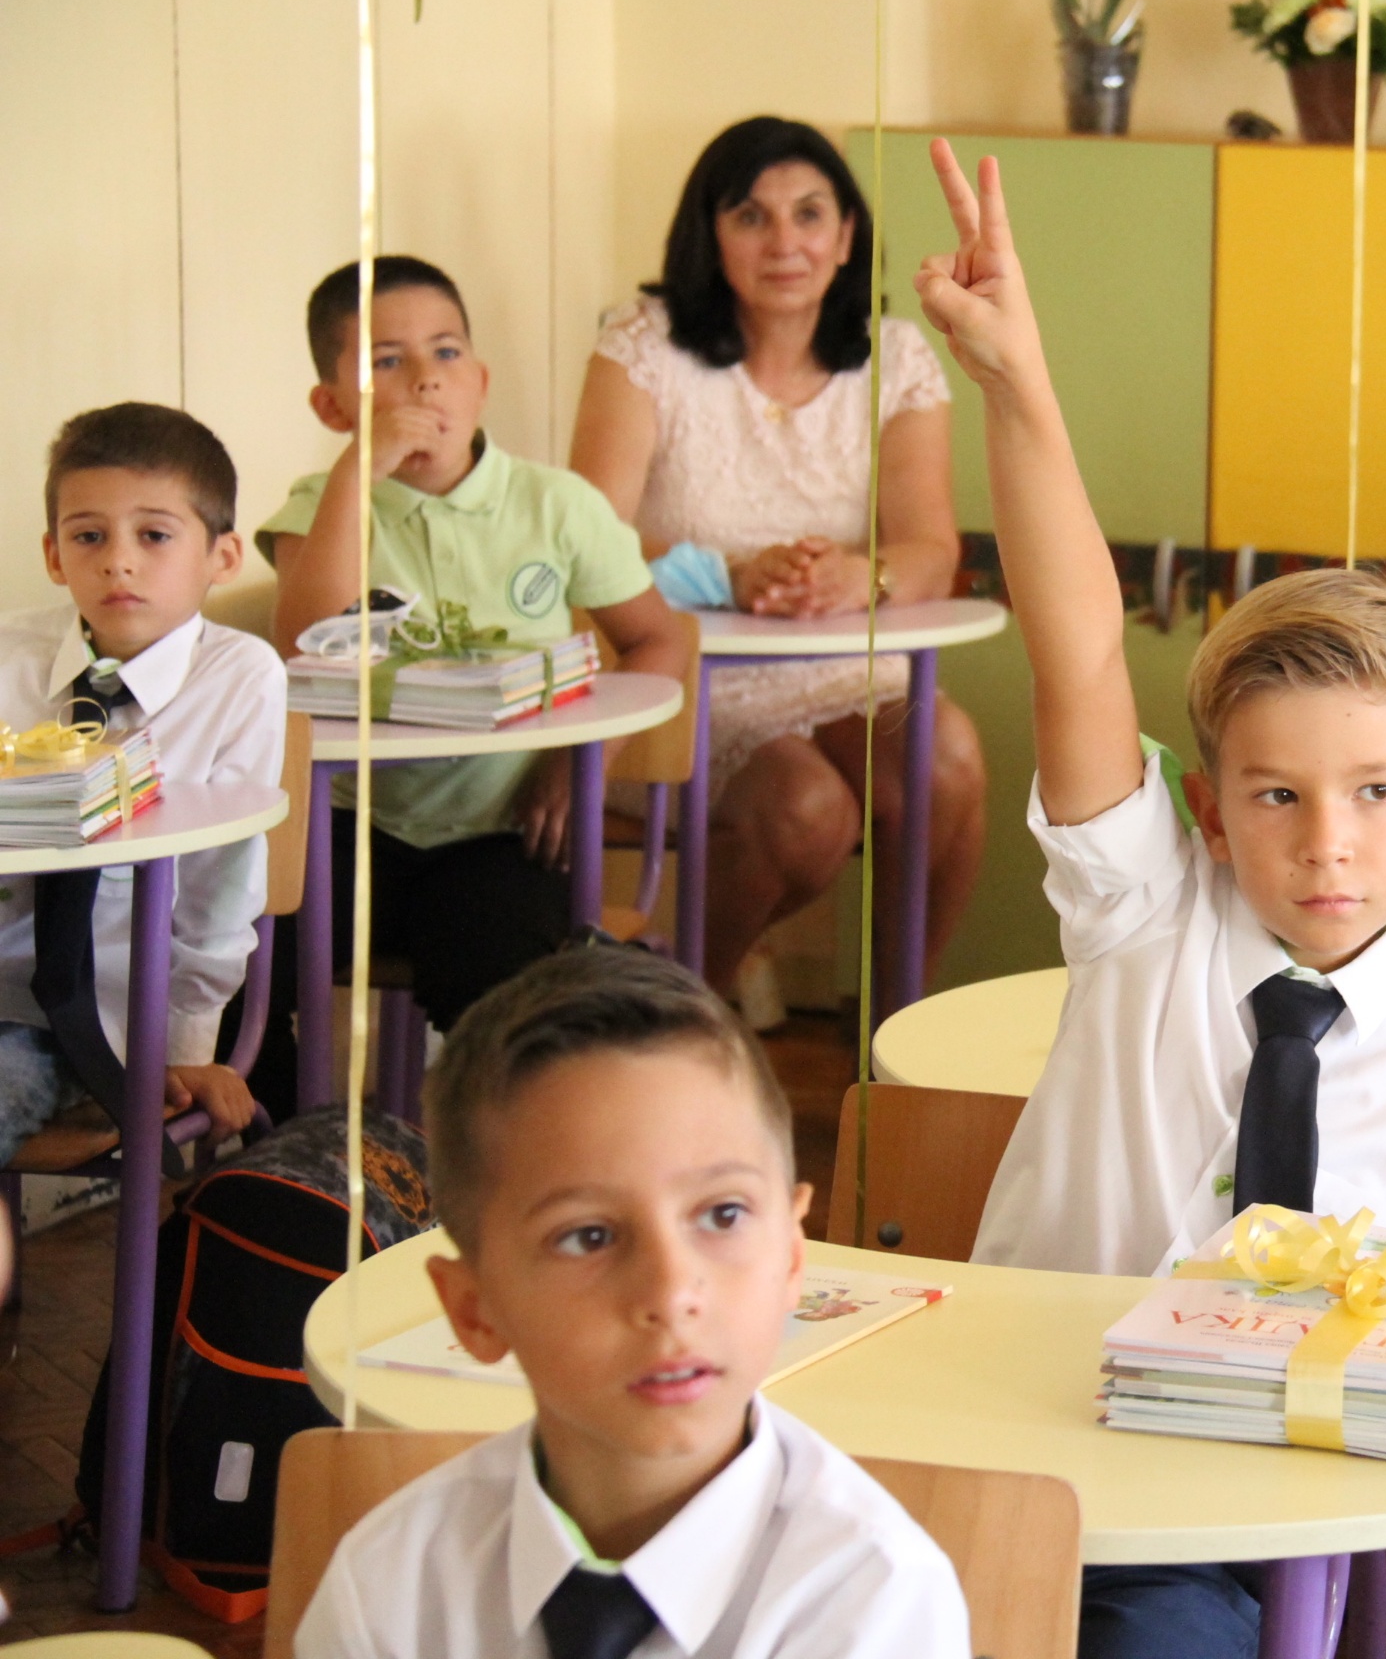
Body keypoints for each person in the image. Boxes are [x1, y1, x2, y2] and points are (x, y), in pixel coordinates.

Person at [917, 138, 1386, 1659]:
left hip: (1224, 1517)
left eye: (1374, 793)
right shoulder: (1146, 910)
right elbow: (1079, 649)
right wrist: (1017, 381)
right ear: (1207, 811)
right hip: (1004, 1459)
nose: (1327, 844)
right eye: (1276, 796)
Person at [293, 946, 970, 1658]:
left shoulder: (874, 1605)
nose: (671, 1293)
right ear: (475, 1311)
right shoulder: (391, 1589)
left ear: (792, 1257)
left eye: (724, 1214)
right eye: (588, 1236)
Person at [253, 255, 693, 1121]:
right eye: (386, 362)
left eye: (446, 352)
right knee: (235, 954)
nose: (425, 380)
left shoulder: (554, 505)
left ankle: (484, 1165)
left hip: (500, 829)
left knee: (504, 992)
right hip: (349, 827)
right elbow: (305, 644)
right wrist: (357, 474)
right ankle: (283, 1159)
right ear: (333, 408)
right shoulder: (323, 505)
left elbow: (659, 638)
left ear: (481, 381)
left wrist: (580, 759)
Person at [568, 116, 987, 1010]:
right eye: (751, 216)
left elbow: (930, 549)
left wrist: (861, 577)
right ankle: (688, 1020)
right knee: (804, 808)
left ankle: (894, 1031)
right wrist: (728, 574)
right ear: (710, 235)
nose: (784, 242)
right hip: (680, 673)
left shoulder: (897, 356)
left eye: (809, 214)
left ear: (847, 236)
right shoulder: (642, 343)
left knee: (947, 759)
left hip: (840, 666)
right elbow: (586, 537)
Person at [0, 403, 274, 1182]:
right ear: (54, 555)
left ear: (222, 555)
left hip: (97, 1026)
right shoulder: (9, 655)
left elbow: (220, 889)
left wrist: (182, 1052)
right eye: (89, 536)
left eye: (154, 535)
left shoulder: (239, 677)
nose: (118, 562)